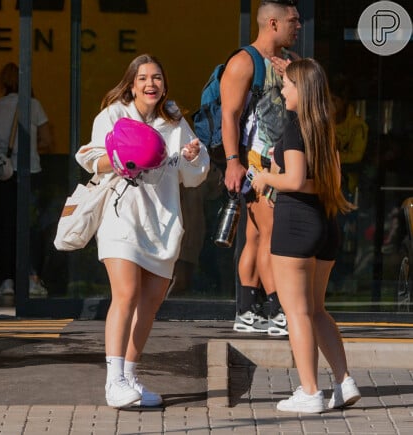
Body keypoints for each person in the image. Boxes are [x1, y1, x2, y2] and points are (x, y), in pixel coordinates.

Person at [75, 54, 209, 408]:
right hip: (122, 218)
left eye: (158, 78)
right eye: (144, 78)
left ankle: (130, 376)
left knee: (150, 303)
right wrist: (122, 158)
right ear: (132, 84)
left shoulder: (175, 120)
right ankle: (113, 380)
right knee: (128, 293)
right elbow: (90, 158)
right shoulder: (113, 116)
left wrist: (194, 155)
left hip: (163, 223)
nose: (152, 84)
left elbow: (193, 176)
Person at [251, 58, 361, 413]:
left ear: (302, 91)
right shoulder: (325, 129)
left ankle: (310, 391)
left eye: (288, 86)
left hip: (295, 226)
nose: (283, 91)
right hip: (325, 227)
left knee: (297, 312)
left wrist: (266, 177)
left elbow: (295, 181)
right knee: (315, 310)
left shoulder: (297, 128)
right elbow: (328, 183)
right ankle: (344, 382)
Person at [221, 0, 301, 335]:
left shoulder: (291, 62)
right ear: (272, 23)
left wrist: (293, 75)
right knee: (271, 236)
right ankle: (276, 308)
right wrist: (232, 162)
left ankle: (247, 311)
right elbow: (230, 116)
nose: (299, 27)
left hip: (279, 160)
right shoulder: (244, 62)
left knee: (255, 237)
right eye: (293, 21)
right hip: (256, 163)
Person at [0, 62, 53, 297]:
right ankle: (33, 278)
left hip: (5, 175)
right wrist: (31, 149)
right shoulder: (34, 106)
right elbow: (47, 140)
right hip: (30, 172)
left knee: (6, 227)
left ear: (2, 82)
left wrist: (4, 148)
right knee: (32, 227)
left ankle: (6, 280)